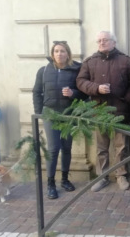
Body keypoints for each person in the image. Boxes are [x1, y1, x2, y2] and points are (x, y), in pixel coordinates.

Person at [76, 31, 130, 192]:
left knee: (121, 147)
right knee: (101, 148)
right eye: (99, 41)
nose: (102, 43)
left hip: (120, 111)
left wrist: (125, 99)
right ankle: (102, 176)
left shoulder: (125, 61)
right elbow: (80, 81)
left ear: (114, 43)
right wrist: (96, 88)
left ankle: (121, 175)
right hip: (99, 112)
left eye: (105, 40)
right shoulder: (90, 62)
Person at [33, 41, 87, 199]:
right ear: (52, 54)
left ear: (68, 54)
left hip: (68, 113)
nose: (59, 54)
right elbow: (36, 92)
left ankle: (64, 179)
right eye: (56, 51)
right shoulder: (43, 71)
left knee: (66, 147)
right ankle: (50, 183)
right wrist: (39, 113)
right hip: (50, 113)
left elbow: (84, 93)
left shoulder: (76, 70)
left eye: (62, 51)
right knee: (53, 148)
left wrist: (73, 93)